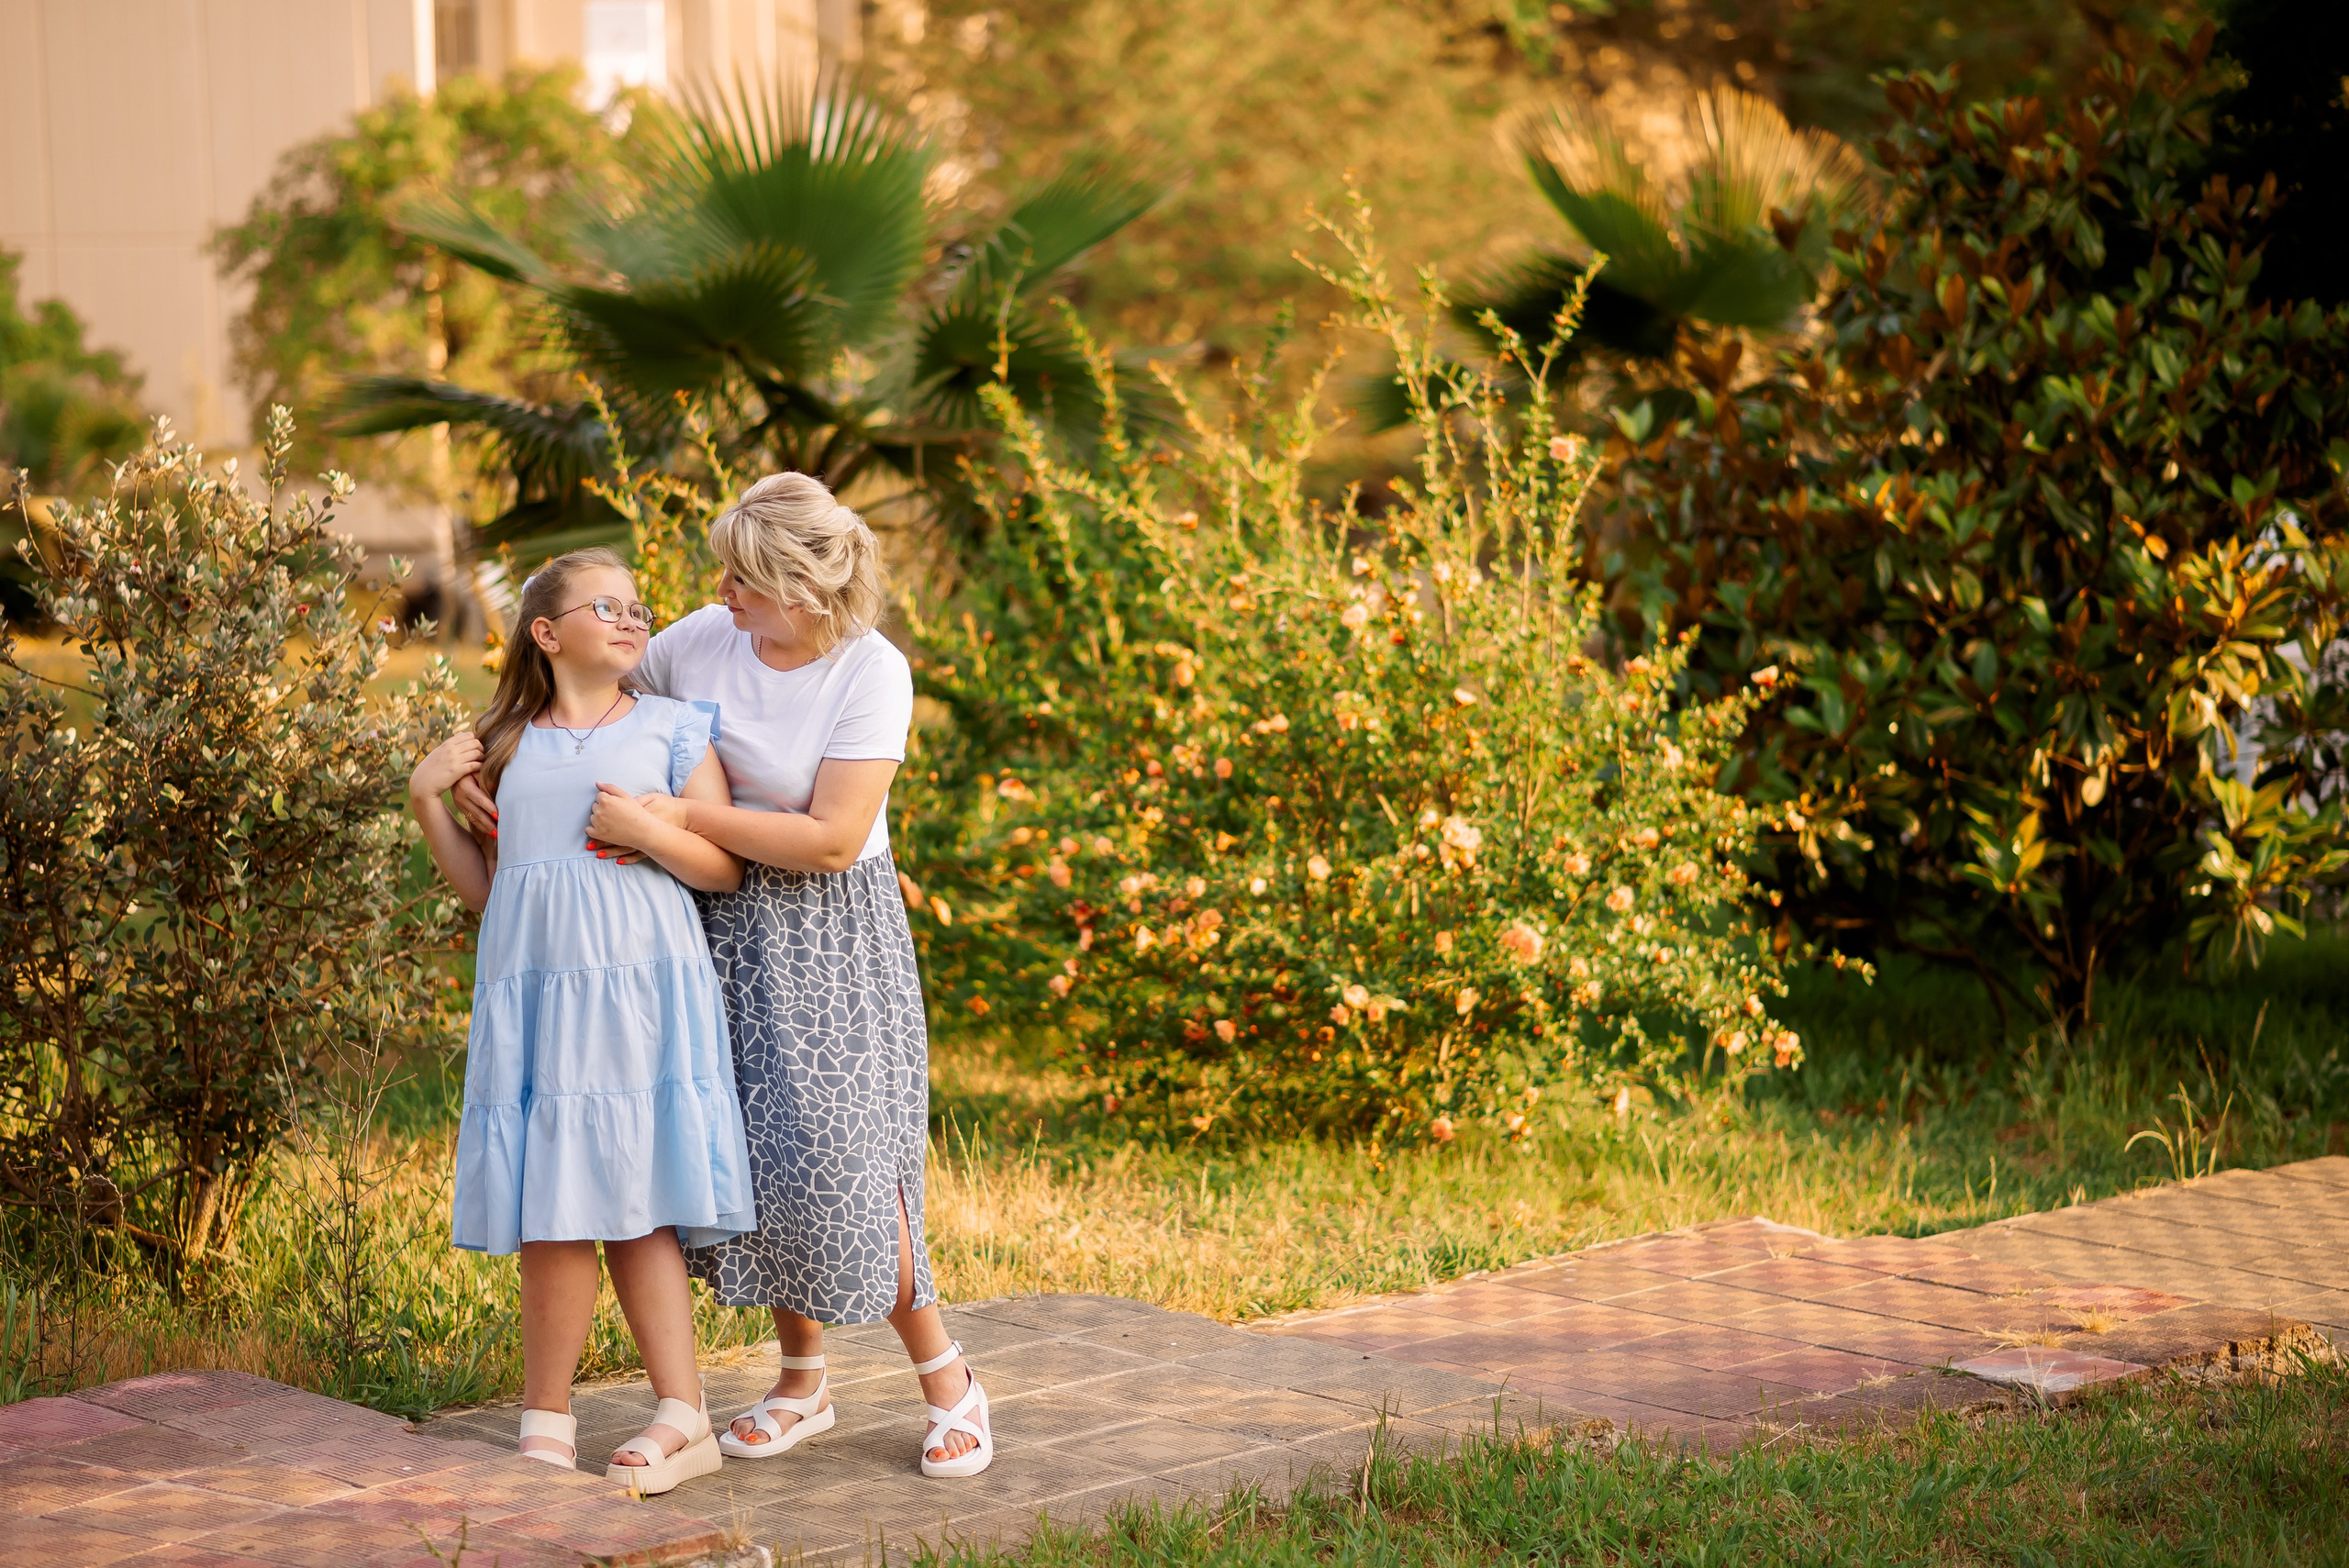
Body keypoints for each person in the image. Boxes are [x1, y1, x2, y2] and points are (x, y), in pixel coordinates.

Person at [459, 475, 992, 1479]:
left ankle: (949, 1378)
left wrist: (673, 824)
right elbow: (596, 704)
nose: (718, 591)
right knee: (762, 1162)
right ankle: (802, 1381)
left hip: (826, 928)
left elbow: (833, 839)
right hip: (698, 925)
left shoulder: (870, 672)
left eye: (743, 576)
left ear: (801, 585)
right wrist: (491, 778)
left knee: (845, 1159)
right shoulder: (703, 636)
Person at [407, 547, 755, 1496]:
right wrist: (426, 794)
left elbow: (721, 866)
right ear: (548, 632)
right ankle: (545, 1416)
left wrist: (651, 832)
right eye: (608, 606)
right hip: (537, 985)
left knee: (637, 1198)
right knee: (553, 1209)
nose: (633, 618)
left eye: (638, 606)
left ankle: (683, 1412)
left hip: (640, 984)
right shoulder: (506, 741)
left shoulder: (675, 728)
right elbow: (493, 888)